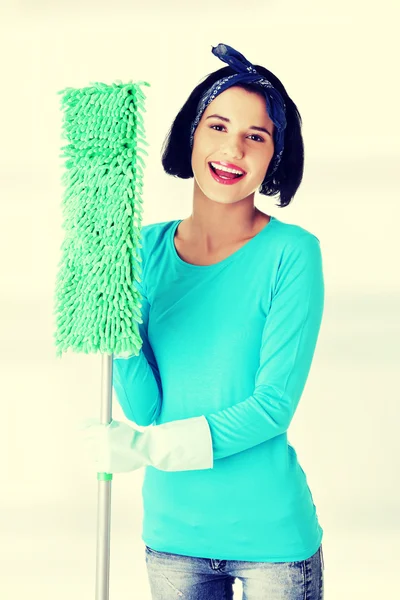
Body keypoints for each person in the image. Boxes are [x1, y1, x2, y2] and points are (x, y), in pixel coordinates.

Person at [83, 43, 325, 599]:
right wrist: (114, 332)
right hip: (172, 539)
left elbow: (273, 406)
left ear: (274, 157)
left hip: (273, 546)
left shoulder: (292, 254)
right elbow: (148, 407)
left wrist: (146, 450)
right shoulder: (140, 251)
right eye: (217, 126)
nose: (232, 149)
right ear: (190, 134)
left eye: (255, 137)